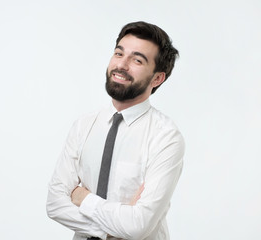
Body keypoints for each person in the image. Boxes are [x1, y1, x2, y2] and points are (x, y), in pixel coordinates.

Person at [46, 21, 185, 240]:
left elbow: (139, 226)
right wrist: (109, 232)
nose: (122, 65)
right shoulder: (84, 126)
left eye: (137, 60)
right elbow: (55, 204)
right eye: (119, 54)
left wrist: (82, 197)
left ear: (157, 78)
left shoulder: (166, 137)